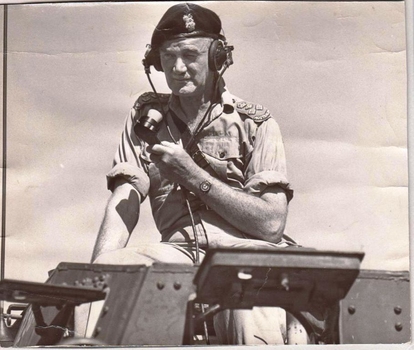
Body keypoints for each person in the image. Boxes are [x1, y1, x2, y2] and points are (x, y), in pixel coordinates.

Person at [89, 2, 296, 345]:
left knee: (248, 305)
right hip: (177, 251)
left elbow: (272, 224)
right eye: (167, 57)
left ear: (218, 59)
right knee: (110, 277)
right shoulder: (145, 118)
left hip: (245, 251)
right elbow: (124, 198)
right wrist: (97, 271)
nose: (177, 67)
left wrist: (192, 175)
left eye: (189, 54)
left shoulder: (256, 123)